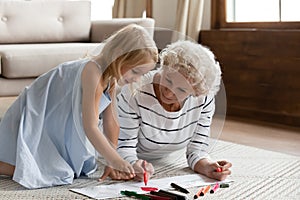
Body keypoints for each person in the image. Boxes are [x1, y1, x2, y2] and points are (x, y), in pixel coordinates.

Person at [0, 24, 158, 189]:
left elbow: (111, 122)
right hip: (37, 110)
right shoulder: (92, 71)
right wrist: (115, 159)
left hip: (59, 118)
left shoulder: (111, 77)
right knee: (51, 173)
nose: (137, 79)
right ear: (118, 56)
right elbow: (90, 126)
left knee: (72, 169)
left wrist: (113, 159)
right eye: (135, 71)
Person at [115, 40, 232, 182]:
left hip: (159, 157)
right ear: (163, 67)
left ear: (195, 93)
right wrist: (133, 164)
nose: (169, 94)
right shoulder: (135, 90)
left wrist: (208, 167)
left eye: (181, 90)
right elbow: (123, 145)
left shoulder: (203, 99)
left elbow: (197, 149)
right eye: (168, 80)